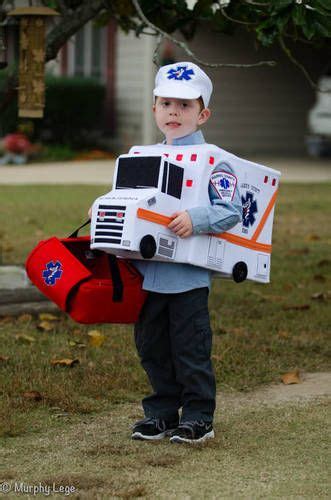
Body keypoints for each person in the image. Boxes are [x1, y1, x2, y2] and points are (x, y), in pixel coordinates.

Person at [129, 62, 243, 444]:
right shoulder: (141, 157)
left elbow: (231, 210)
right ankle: (160, 413)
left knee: (190, 349)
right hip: (148, 275)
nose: (173, 112)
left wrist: (196, 218)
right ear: (154, 109)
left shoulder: (215, 159)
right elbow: (130, 202)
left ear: (203, 113)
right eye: (165, 103)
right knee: (152, 348)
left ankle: (198, 416)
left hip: (188, 277)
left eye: (184, 105)